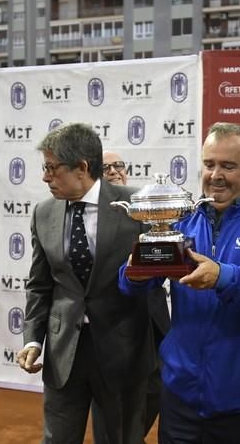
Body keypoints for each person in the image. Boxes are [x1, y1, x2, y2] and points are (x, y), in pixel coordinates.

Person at [119, 122, 240, 444]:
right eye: (209, 164)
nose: (216, 175)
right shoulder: (180, 221)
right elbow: (134, 286)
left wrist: (222, 276)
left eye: (228, 166)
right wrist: (133, 274)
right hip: (180, 395)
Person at [16, 123, 155, 444]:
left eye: (52, 168)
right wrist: (33, 340)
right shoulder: (43, 213)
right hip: (64, 353)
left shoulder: (136, 204)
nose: (45, 177)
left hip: (123, 352)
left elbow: (154, 278)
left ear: (81, 168)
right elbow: (39, 285)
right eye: (44, 168)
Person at [91, 150, 170, 444]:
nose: (114, 171)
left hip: (153, 320)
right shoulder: (89, 219)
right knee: (111, 404)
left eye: (118, 165)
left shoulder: (144, 207)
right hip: (112, 324)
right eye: (105, 168)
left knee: (155, 389)